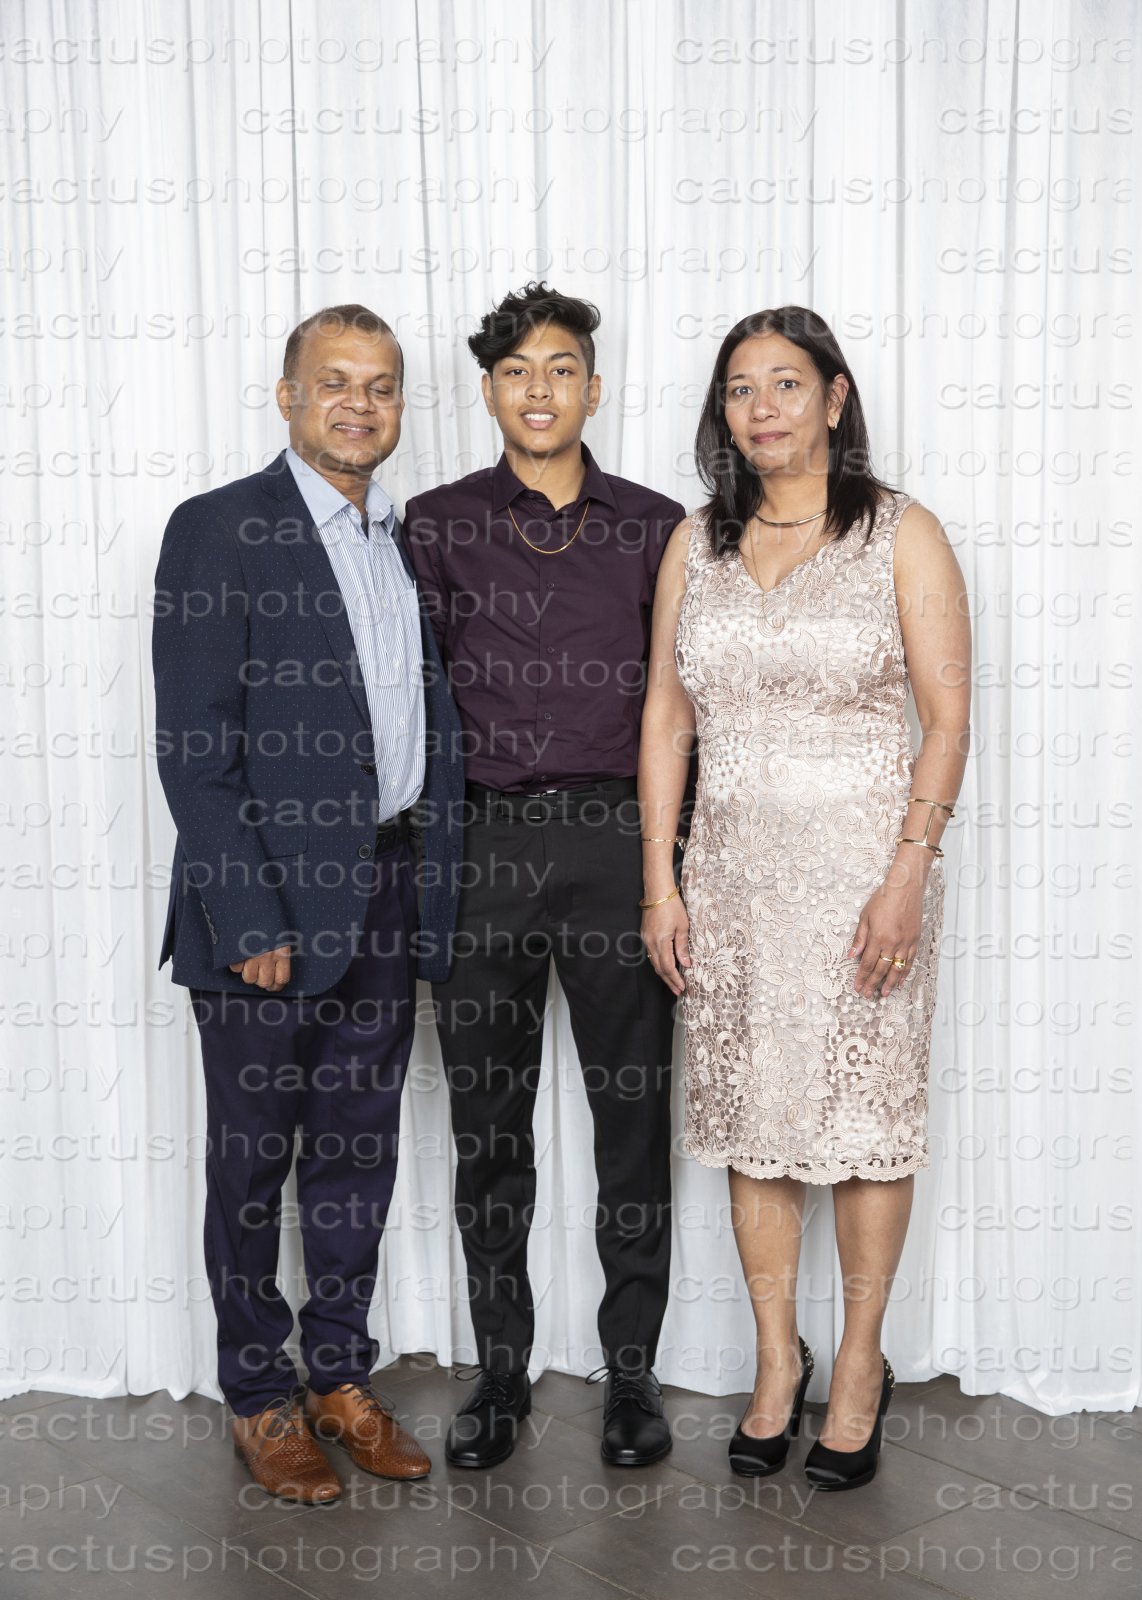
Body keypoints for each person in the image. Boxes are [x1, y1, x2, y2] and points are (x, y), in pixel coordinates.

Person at [638, 306, 971, 1491]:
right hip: (728, 883)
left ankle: (861, 1365)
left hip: (861, 884)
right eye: (740, 387)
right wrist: (659, 881)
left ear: (833, 398)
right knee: (752, 1122)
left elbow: (945, 717)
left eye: (786, 382)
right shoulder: (695, 543)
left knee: (865, 1123)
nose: (762, 406)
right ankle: (777, 1361)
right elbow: (665, 716)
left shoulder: (900, 533)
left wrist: (906, 872)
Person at [152, 305, 463, 1503]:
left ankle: (337, 1374)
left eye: (379, 386)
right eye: (333, 381)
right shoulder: (219, 529)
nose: (358, 404)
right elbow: (194, 747)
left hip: (385, 892)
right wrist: (250, 918)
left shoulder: (397, 541)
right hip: (265, 911)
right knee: (250, 1167)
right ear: (287, 396)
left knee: (355, 1153)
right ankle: (257, 1394)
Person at [403, 282, 686, 1469]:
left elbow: (683, 704)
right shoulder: (434, 524)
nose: (538, 388)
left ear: (592, 388)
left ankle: (631, 1373)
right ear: (486, 391)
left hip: (619, 843)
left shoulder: (657, 526)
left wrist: (672, 866)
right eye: (516, 370)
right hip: (482, 851)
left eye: (560, 368)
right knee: (488, 1126)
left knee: (632, 1117)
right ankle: (500, 1371)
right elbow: (407, 701)